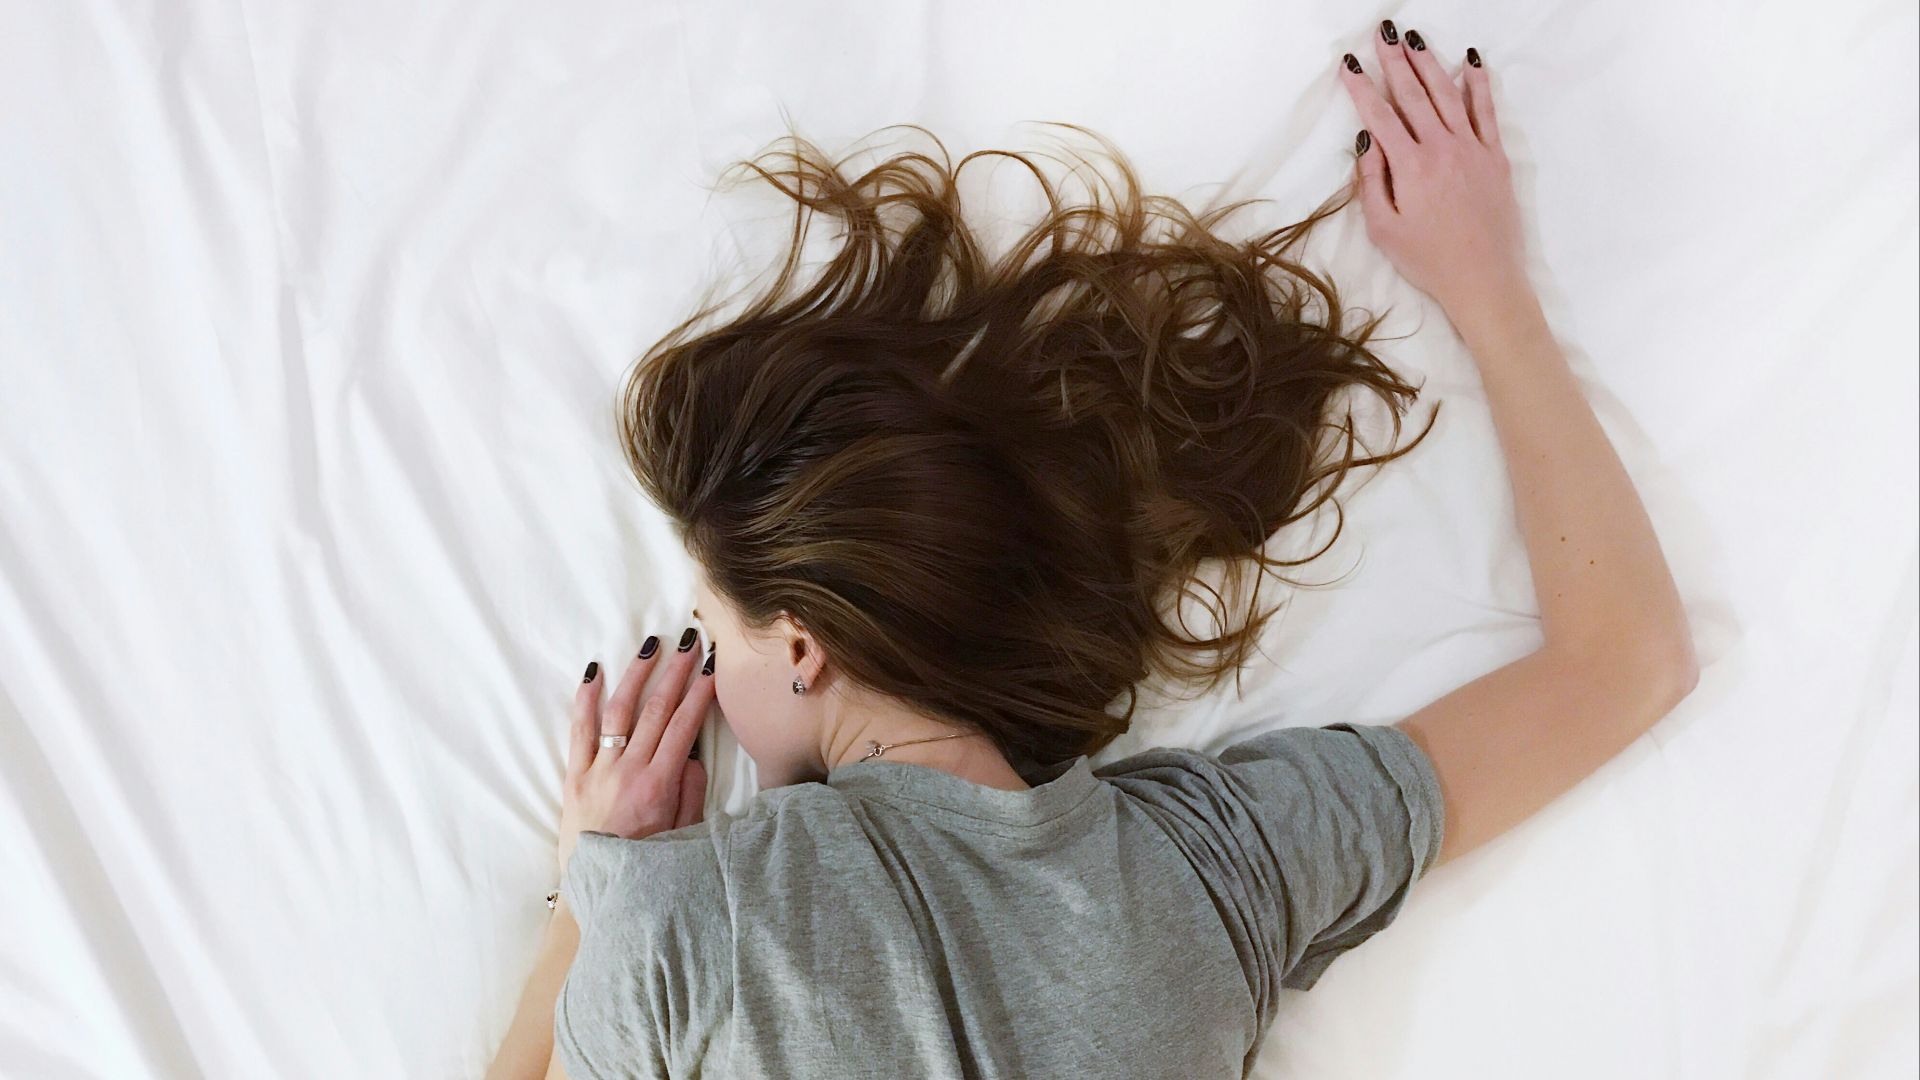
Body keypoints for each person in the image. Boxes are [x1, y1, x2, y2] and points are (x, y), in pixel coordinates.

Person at [487, 22, 1698, 1080]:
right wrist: (1488, 292)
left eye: (713, 631)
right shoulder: (1215, 871)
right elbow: (1628, 661)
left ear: (801, 642)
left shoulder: (685, 926)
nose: (705, 672)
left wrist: (589, 890)